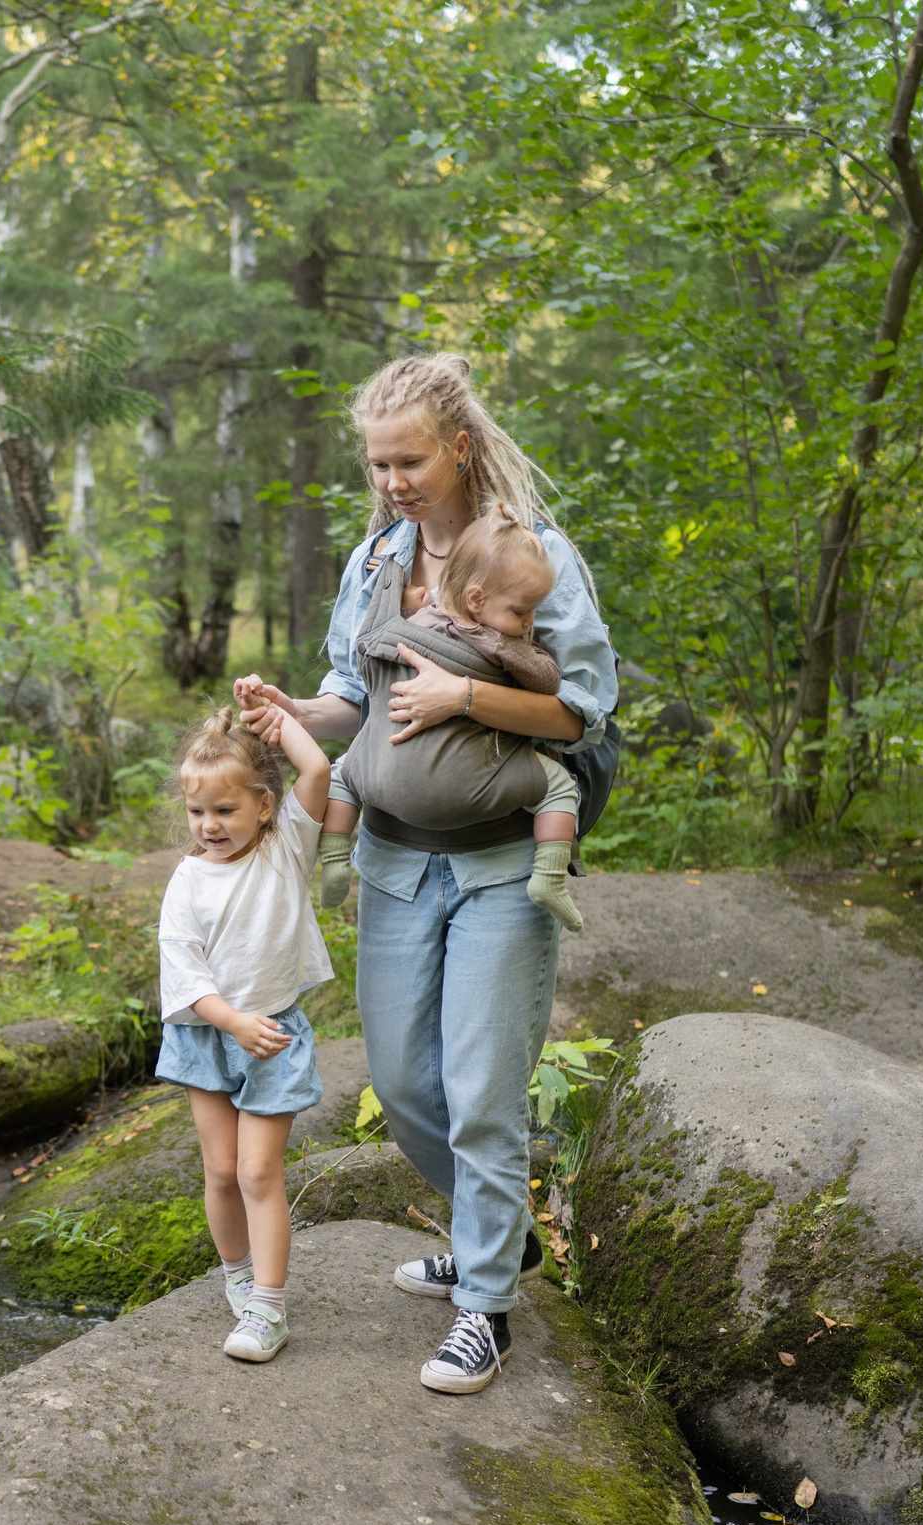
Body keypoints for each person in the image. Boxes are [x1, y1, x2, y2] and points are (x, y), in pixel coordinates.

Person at [233, 352, 616, 1396]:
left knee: (482, 1091)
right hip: (398, 861)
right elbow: (352, 703)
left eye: (406, 460)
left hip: (499, 864)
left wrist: (466, 699)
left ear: (456, 445)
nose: (391, 481)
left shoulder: (531, 556)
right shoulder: (373, 563)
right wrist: (288, 714)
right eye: (376, 465)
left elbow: (580, 712)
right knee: (407, 1085)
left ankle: (485, 1304)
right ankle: (503, 1237)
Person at [152, 704, 334, 1364]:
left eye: (225, 811)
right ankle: (235, 1271)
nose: (210, 826)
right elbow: (185, 968)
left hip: (273, 1033)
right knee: (223, 1170)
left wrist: (273, 714)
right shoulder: (188, 879)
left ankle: (270, 1306)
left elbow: (315, 765)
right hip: (209, 1033)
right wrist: (231, 1021)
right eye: (199, 813)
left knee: (260, 1170)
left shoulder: (287, 847)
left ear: (264, 806)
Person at [317, 506, 586, 932]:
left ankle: (333, 857)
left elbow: (367, 662)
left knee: (343, 774)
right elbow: (548, 682)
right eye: (521, 612)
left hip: (388, 781)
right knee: (558, 787)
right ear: (478, 600)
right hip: (472, 788)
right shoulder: (498, 641)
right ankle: (550, 877)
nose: (529, 621)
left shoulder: (419, 618)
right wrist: (534, 653)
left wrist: (404, 608)